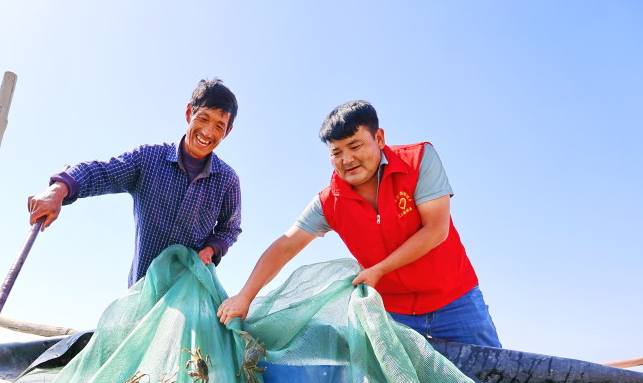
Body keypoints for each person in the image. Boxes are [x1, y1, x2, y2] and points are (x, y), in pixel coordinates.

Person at [217, 100, 501, 347]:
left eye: (355, 146)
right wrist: (245, 297)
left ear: (379, 137)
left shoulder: (420, 160)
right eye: (336, 152)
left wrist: (379, 269)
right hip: (393, 316)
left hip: (457, 301)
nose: (347, 159)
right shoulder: (329, 202)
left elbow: (436, 230)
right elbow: (285, 246)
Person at [27, 79, 242, 286]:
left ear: (228, 131)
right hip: (142, 291)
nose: (207, 132)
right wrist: (59, 188)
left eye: (218, 126)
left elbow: (230, 228)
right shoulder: (148, 158)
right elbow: (102, 171)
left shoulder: (227, 180)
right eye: (203, 119)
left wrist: (212, 249)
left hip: (190, 294)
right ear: (189, 113)